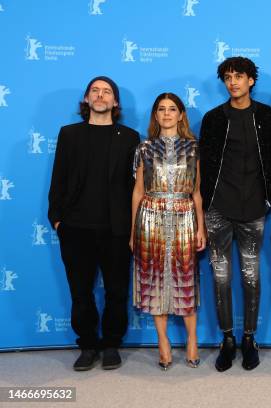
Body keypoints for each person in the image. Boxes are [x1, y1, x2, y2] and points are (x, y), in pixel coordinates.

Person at [48, 76, 140, 371]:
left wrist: (132, 227)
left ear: (115, 102)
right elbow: (58, 179)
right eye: (95, 91)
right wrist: (58, 220)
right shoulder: (69, 134)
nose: (100, 96)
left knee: (116, 290)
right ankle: (87, 344)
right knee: (80, 291)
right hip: (75, 227)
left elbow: (134, 186)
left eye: (107, 92)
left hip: (116, 228)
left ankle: (112, 344)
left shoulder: (129, 137)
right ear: (86, 99)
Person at [199, 56, 271, 371]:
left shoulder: (266, 116)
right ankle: (227, 339)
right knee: (220, 277)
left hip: (254, 208)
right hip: (218, 208)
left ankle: (249, 338)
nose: (233, 82)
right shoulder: (214, 118)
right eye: (228, 77)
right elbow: (203, 164)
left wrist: (270, 197)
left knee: (251, 276)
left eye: (239, 76)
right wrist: (205, 202)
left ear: (251, 81)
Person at [131, 93, 206, 370]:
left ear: (181, 114)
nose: (166, 114)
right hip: (150, 217)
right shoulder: (144, 148)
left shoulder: (194, 148)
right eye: (161, 109)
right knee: (154, 280)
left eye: (172, 109)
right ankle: (162, 341)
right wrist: (132, 232)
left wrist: (201, 226)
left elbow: (197, 192)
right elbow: (138, 191)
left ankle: (192, 339)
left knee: (186, 278)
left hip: (185, 216)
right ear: (155, 115)